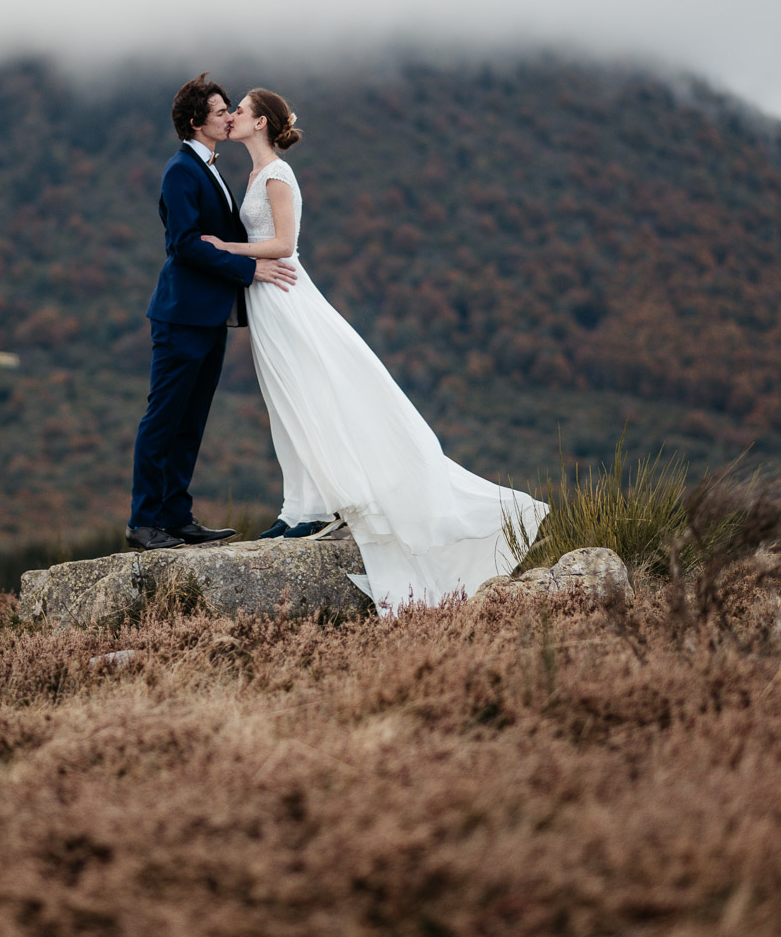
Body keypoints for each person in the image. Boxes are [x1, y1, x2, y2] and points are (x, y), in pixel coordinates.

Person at [202, 87, 548, 608]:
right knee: (285, 403)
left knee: (308, 397)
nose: (232, 116)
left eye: (241, 111)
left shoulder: (276, 175)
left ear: (262, 123)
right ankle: (297, 507)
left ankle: (317, 509)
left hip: (286, 296)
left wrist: (226, 248)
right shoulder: (252, 175)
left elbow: (285, 245)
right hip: (265, 299)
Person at [128, 74, 297, 551]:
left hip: (209, 315)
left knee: (191, 420)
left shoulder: (209, 168)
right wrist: (250, 270)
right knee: (163, 418)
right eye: (221, 111)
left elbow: (220, 238)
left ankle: (176, 516)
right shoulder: (181, 170)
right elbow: (184, 245)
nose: (228, 117)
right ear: (194, 121)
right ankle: (143, 521)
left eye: (229, 110)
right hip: (182, 314)